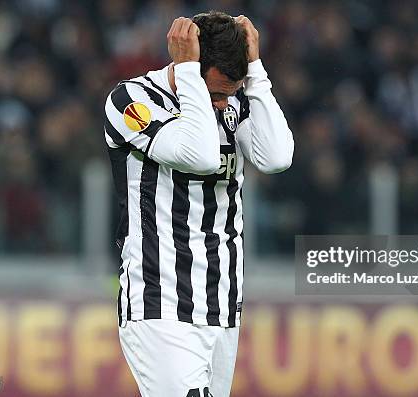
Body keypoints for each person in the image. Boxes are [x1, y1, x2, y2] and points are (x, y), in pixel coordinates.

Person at [104, 11, 294, 397]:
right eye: (217, 94)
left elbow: (276, 157)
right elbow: (201, 155)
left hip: (222, 302)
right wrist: (188, 71)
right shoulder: (133, 100)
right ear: (189, 65)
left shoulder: (233, 102)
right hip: (160, 301)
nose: (225, 105)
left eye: (232, 91)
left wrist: (256, 71)